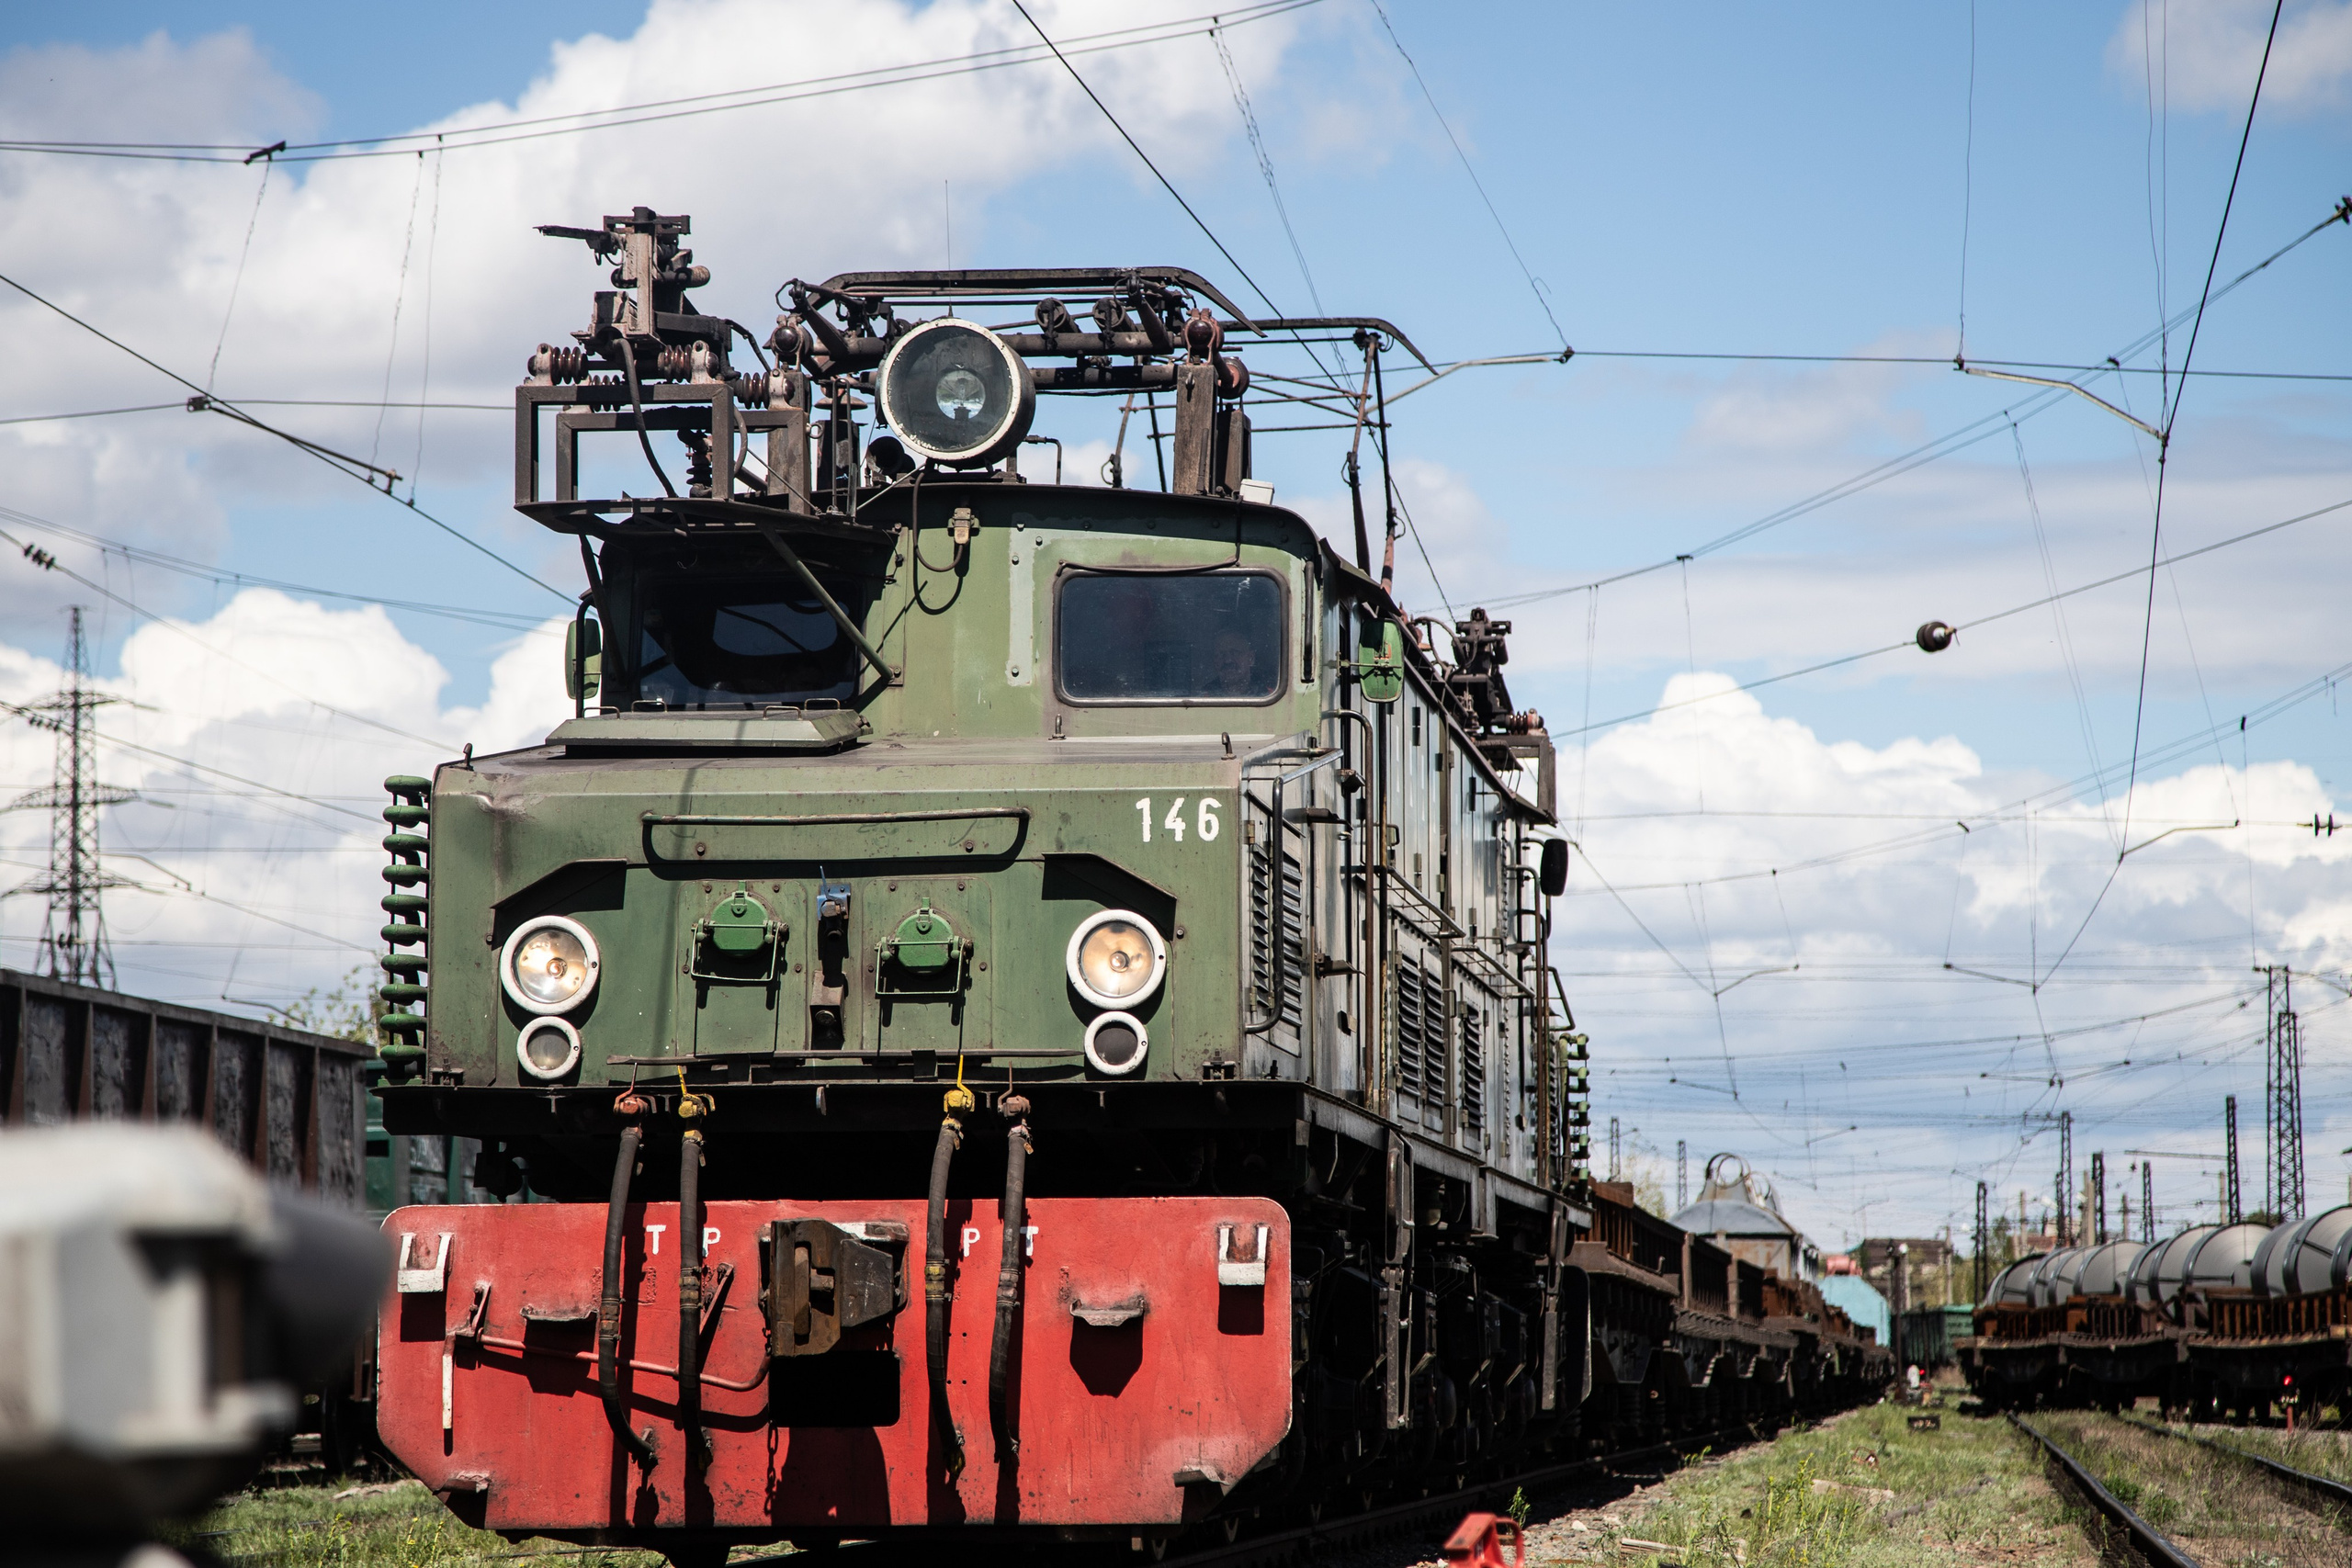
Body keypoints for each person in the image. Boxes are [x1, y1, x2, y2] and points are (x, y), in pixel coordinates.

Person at [1208, 628, 1261, 697]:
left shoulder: (1269, 695)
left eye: (1235, 653)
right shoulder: (1202, 698)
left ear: (1250, 658)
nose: (1227, 660)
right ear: (1215, 661)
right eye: (1221, 654)